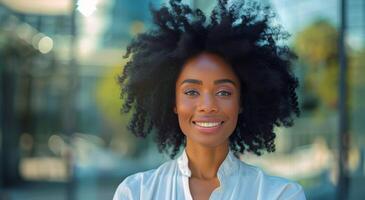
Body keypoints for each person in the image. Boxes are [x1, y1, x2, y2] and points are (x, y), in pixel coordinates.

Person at [113, 0, 306, 199]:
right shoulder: (136, 192)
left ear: (241, 102)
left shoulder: (279, 195)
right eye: (191, 92)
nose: (208, 106)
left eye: (224, 92)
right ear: (173, 102)